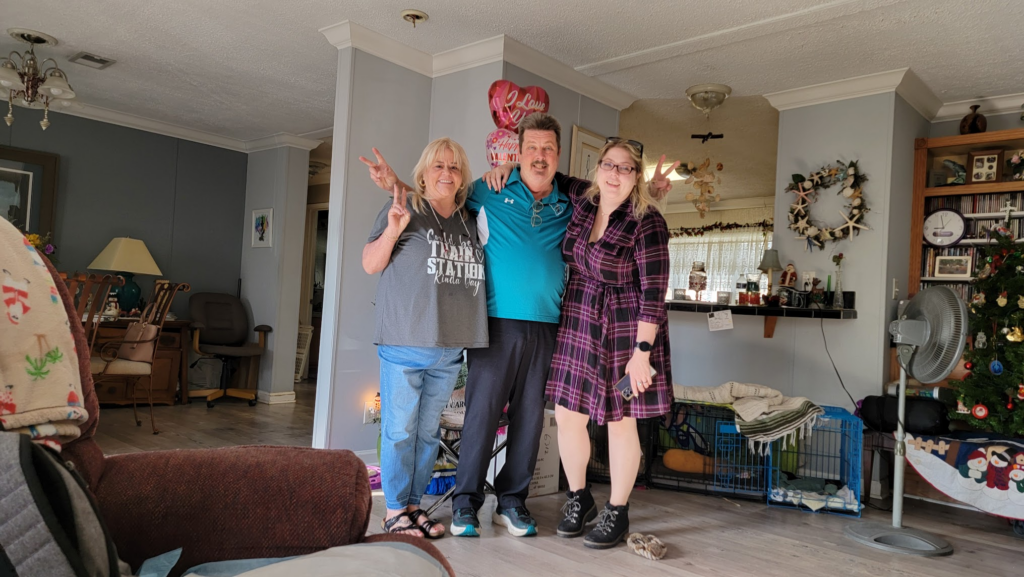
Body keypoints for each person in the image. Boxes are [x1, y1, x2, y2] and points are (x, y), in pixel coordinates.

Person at [361, 114, 677, 539]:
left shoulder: (576, 202)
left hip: (554, 327)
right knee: (481, 417)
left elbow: (625, 209)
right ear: (518, 152)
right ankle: (466, 504)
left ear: (558, 155)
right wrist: (396, 183)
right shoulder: (488, 190)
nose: (540, 156)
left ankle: (512, 502)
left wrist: (651, 194)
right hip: (493, 324)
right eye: (532, 148)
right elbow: (436, 195)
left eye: (548, 148)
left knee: (531, 421)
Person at [546, 139, 672, 549]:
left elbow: (655, 292)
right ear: (597, 168)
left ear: (636, 177)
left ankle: (618, 510)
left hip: (624, 331)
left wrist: (642, 353)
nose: (614, 174)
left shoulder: (647, 220)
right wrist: (506, 170)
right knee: (567, 415)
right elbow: (548, 174)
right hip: (579, 319)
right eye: (608, 165)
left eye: (625, 168)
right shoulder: (584, 200)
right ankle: (579, 499)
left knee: (621, 421)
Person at [362, 137, 488, 539]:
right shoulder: (407, 209)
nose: (446, 173)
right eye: (438, 166)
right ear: (424, 173)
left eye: (454, 167)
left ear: (462, 176)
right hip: (403, 343)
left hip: (449, 348)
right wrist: (393, 230)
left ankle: (413, 506)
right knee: (399, 431)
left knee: (428, 433)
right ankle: (394, 510)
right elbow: (370, 264)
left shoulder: (471, 219)